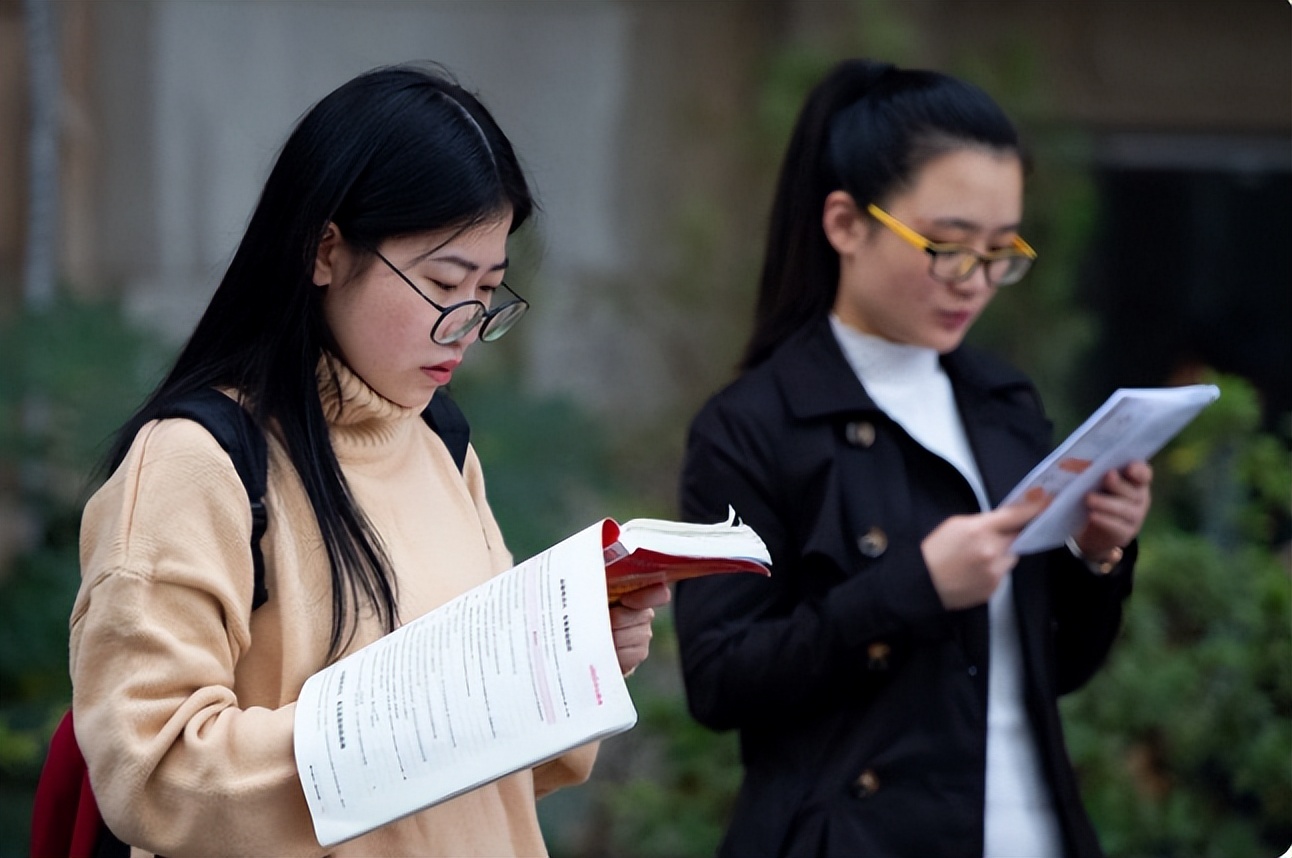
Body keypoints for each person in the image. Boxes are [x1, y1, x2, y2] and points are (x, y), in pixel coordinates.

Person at [69, 63, 670, 857]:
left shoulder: (441, 444)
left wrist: (574, 657)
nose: (466, 325)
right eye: (444, 282)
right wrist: (427, 713)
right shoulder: (197, 464)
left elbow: (501, 770)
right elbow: (153, 774)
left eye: (489, 289)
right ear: (325, 250)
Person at [673, 59, 1152, 858]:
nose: (976, 281)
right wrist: (913, 589)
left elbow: (1054, 667)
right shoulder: (755, 424)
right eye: (948, 246)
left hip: (1034, 833)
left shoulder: (1002, 404)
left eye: (1002, 251)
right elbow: (721, 679)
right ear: (845, 224)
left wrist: (1096, 554)